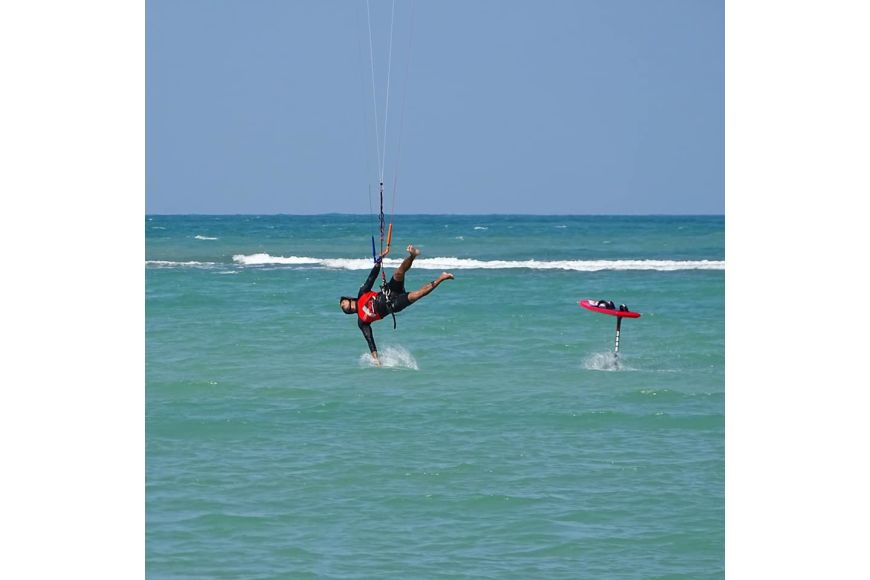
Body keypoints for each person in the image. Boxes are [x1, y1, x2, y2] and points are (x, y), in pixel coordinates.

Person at [340, 244, 454, 365]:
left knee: (399, 272)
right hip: (394, 305)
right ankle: (442, 277)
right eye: (342, 307)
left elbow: (371, 278)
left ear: (348, 299)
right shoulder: (362, 322)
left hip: (388, 291)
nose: (342, 305)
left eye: (342, 302)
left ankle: (413, 255)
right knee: (417, 294)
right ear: (348, 312)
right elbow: (369, 339)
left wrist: (378, 261)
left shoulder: (362, 293)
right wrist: (376, 358)